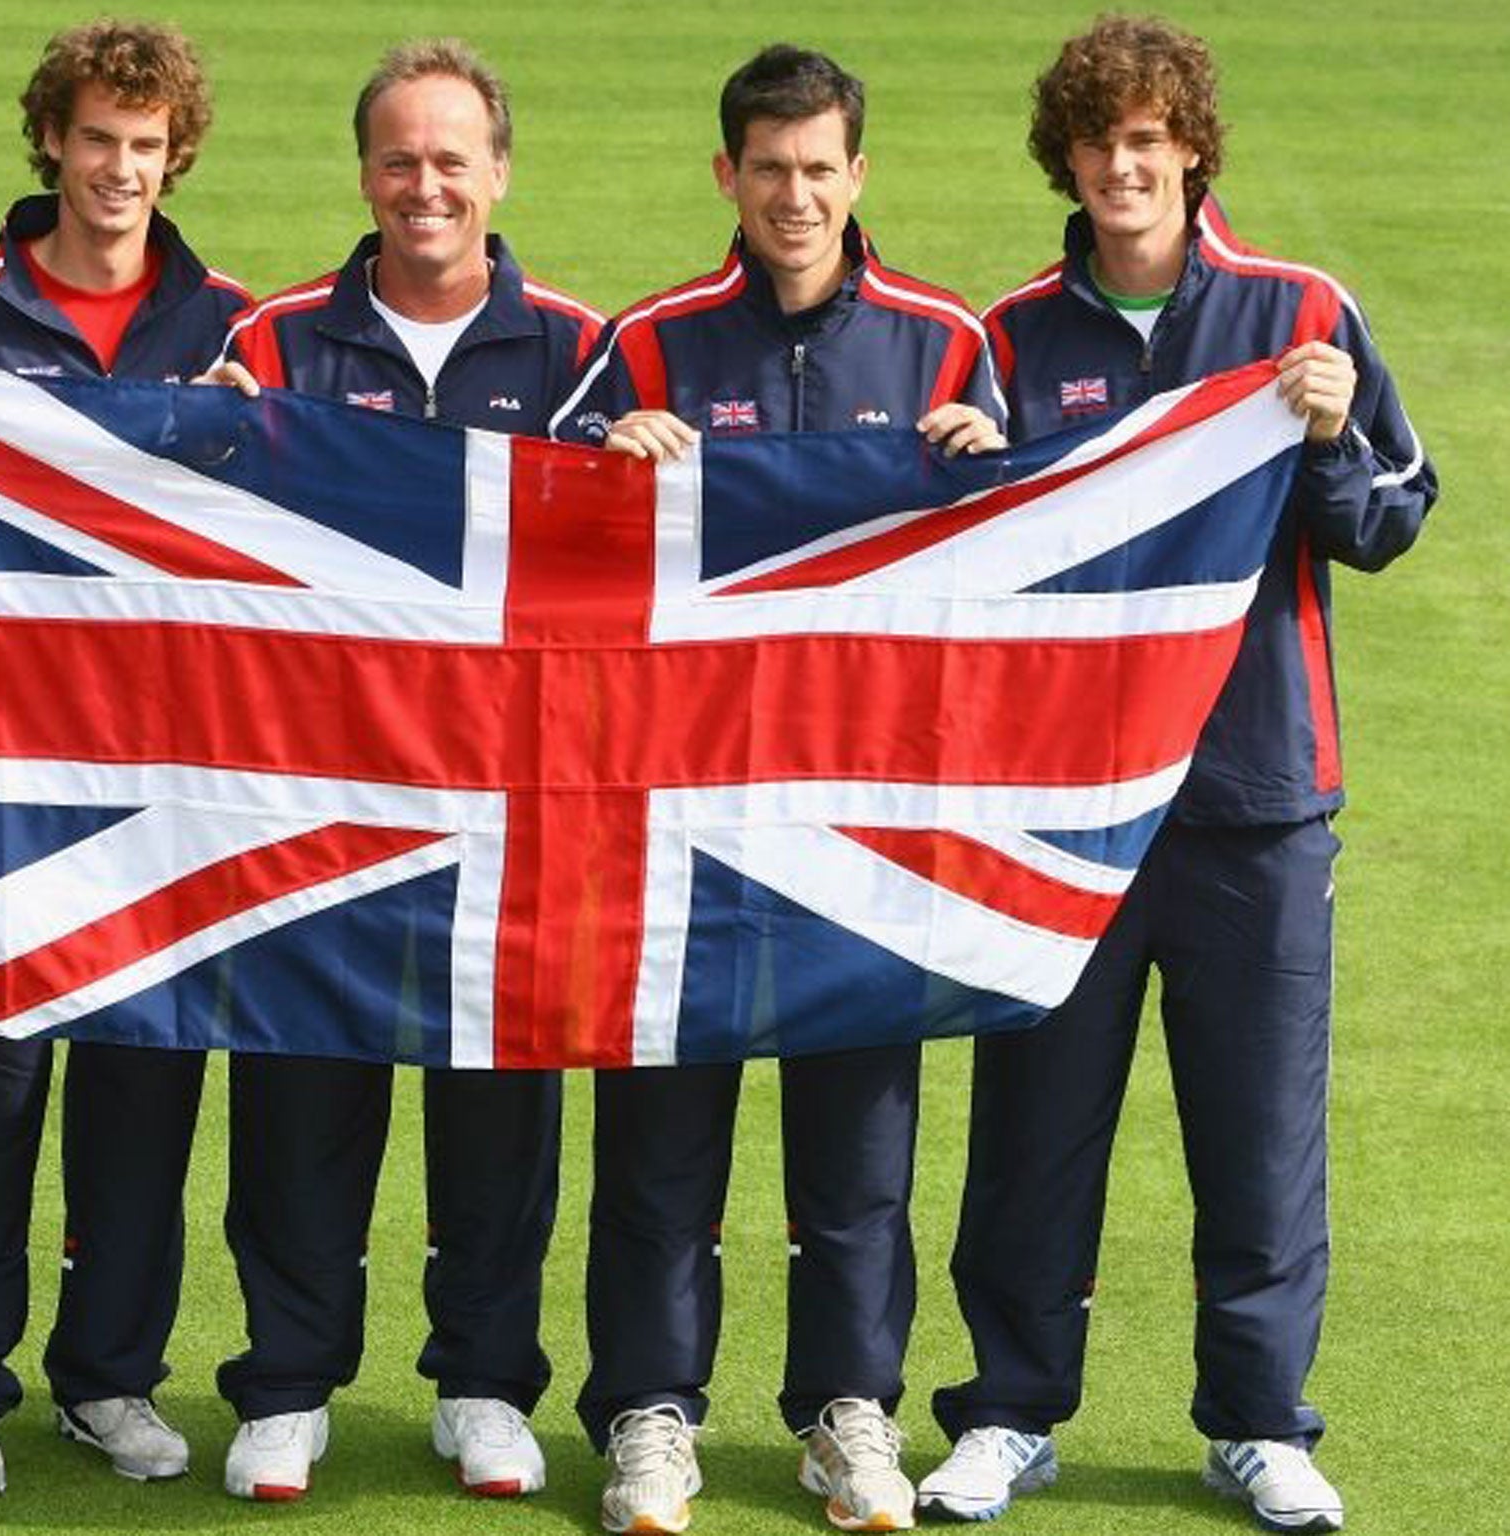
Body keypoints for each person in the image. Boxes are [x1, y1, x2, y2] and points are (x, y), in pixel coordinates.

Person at [917, 17, 1435, 1534]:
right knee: (1035, 1129)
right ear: (1068, 162)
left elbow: (1397, 516)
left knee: (1260, 1131)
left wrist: (1337, 440)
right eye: (1100, 143)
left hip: (1257, 803)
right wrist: (958, 475)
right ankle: (1010, 1412)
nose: (1126, 165)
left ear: (1191, 148)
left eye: (1150, 139)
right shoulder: (1012, 338)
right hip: (1064, 810)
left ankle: (1260, 1424)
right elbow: (962, 574)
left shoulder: (1299, 312)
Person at [550, 44, 1004, 1535]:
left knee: (858, 1150)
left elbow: (1027, 554)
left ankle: (847, 1414)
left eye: (820, 169)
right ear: (726, 176)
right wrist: (605, 455)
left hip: (866, 816)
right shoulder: (651, 344)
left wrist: (1004, 466)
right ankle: (649, 1413)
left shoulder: (944, 346)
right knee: (661, 1138)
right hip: (673, 813)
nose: (794, 195)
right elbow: (533, 537)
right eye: (768, 168)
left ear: (857, 175)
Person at [202, 37, 601, 1504]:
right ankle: (288, 1381)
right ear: (362, 172)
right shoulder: (276, 343)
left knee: (500, 1094)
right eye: (397, 159)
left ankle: (487, 1381)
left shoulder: (582, 350)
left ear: (499, 170)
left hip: (517, 796)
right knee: (303, 1086)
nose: (424, 186)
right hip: (322, 790)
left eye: (452, 159)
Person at [0, 19, 249, 1496]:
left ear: (176, 157)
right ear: (51, 141)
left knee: (143, 1089)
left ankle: (109, 1375)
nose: (118, 169)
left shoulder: (232, 328)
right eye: (96, 138)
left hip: (168, 773)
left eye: (145, 146)